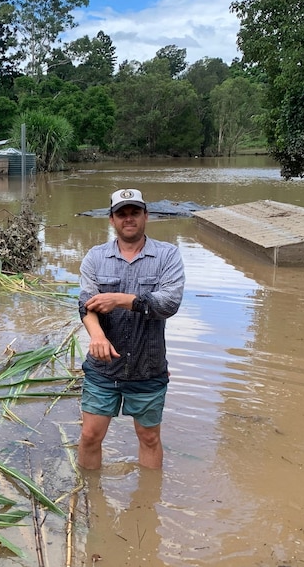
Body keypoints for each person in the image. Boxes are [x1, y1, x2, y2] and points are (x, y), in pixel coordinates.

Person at [77, 188, 184, 470]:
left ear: (146, 216)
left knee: (149, 437)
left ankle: (146, 506)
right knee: (89, 436)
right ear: (111, 219)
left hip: (147, 368)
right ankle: (90, 502)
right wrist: (97, 335)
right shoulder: (95, 257)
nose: (129, 219)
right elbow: (85, 305)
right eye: (121, 214)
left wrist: (123, 300)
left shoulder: (167, 255)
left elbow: (169, 303)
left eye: (134, 212)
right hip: (103, 369)